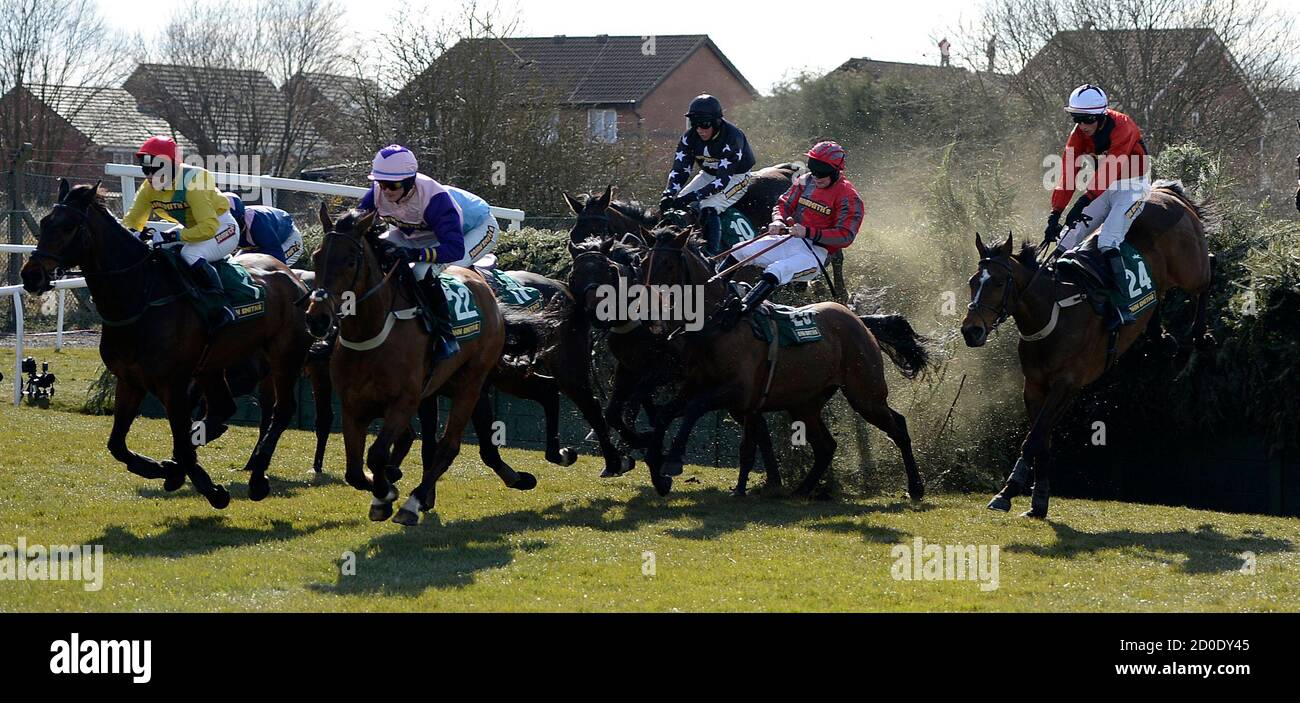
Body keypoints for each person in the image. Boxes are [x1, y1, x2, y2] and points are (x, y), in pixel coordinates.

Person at [719, 141, 863, 325]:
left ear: (836, 170)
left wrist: (809, 232)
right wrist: (778, 220)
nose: (816, 176)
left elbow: (845, 235)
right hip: (788, 239)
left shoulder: (849, 196)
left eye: (822, 172)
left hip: (816, 253)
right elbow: (783, 204)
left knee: (777, 270)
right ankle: (711, 295)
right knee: (738, 250)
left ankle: (741, 314)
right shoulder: (805, 181)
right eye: (813, 169)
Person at [1046, 84, 1151, 325]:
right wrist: (1056, 212)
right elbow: (1068, 171)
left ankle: (1123, 305)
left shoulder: (1123, 126)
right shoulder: (1079, 134)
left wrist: (1083, 201)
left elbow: (1110, 168)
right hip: (1105, 188)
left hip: (1133, 186)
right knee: (1066, 239)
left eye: (1087, 119)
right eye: (1076, 118)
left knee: (1107, 241)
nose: (1082, 125)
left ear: (1101, 116)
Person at [355, 144, 465, 360]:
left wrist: (416, 255)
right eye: (380, 183)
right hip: (415, 235)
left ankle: (446, 334)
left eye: (392, 185)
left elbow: (455, 248)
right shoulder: (378, 192)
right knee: (379, 252)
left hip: (465, 233)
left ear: (409, 182)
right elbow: (356, 224)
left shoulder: (435, 200)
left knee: (422, 271)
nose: (385, 190)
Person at [122, 136, 238, 327]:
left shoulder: (195, 182)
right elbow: (133, 220)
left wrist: (174, 235)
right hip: (194, 229)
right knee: (152, 249)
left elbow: (208, 228)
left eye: (155, 169)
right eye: (145, 169)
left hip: (223, 228)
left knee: (190, 253)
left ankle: (223, 305)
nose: (149, 176)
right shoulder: (148, 188)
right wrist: (134, 233)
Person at [659, 94, 756, 254]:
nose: (699, 130)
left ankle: (712, 254)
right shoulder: (689, 138)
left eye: (704, 124)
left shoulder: (732, 137)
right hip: (708, 174)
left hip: (736, 177)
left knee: (709, 205)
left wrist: (691, 197)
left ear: (716, 122)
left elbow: (721, 182)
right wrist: (669, 193)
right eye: (695, 124)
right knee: (674, 207)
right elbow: (680, 170)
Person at [222, 193, 304, 266]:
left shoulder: (258, 223)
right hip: (257, 246)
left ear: (241, 217)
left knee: (270, 267)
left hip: (288, 240)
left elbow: (277, 256)